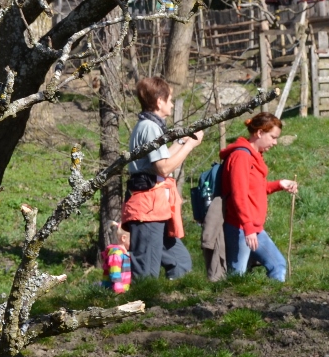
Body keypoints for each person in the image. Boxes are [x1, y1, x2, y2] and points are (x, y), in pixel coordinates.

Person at [120, 77, 203, 280]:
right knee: (146, 273)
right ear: (159, 101)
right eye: (170, 100)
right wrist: (190, 147)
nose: (172, 104)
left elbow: (162, 158)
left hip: (158, 209)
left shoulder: (152, 127)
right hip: (148, 210)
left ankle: (172, 306)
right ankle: (141, 307)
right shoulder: (149, 127)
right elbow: (163, 168)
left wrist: (184, 140)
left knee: (180, 261)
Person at [220, 113, 298, 281]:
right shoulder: (241, 156)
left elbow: (255, 189)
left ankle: (274, 306)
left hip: (253, 228)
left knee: (277, 265)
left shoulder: (254, 155)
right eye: (273, 137)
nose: (275, 142)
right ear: (260, 133)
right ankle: (232, 307)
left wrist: (279, 184)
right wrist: (247, 227)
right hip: (240, 228)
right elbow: (238, 194)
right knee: (237, 277)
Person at [101, 221, 132, 294]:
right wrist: (118, 289)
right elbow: (115, 273)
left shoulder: (126, 254)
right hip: (113, 291)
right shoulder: (116, 254)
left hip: (124, 290)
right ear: (124, 238)